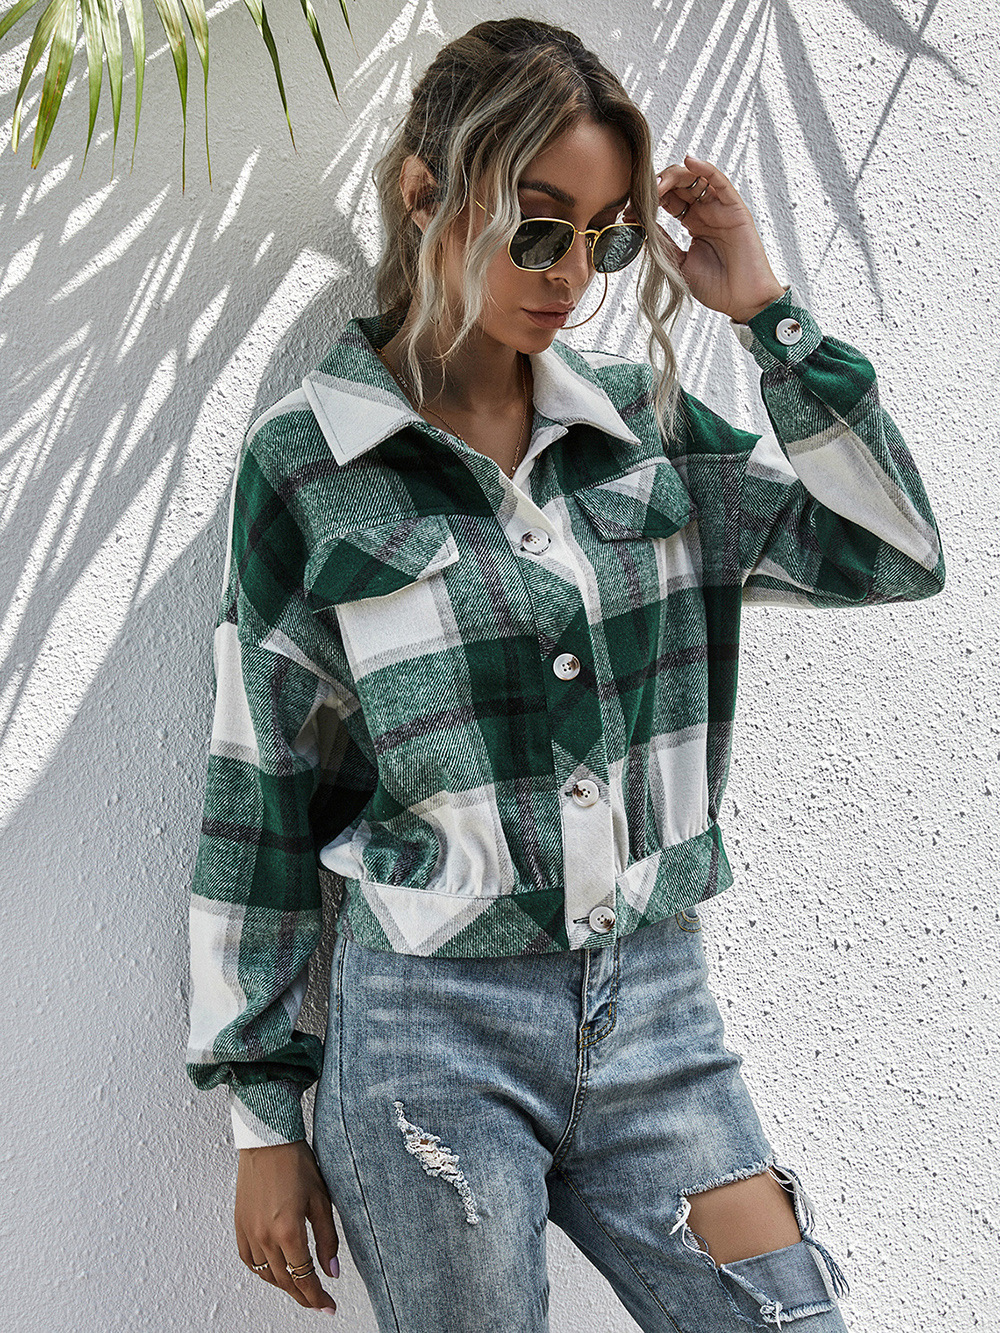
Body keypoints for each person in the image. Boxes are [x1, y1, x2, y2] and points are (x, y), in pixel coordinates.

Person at [185, 17, 944, 1332]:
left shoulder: (649, 431)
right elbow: (261, 787)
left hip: (660, 1024)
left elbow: (892, 552)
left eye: (605, 237)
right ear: (425, 194)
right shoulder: (312, 464)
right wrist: (264, 1113)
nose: (573, 276)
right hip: (428, 1044)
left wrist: (769, 318)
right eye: (538, 229)